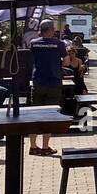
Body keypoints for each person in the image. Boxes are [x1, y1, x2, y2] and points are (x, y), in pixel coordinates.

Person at [28, 20, 67, 156]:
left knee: (35, 115)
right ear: (50, 30)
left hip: (37, 81)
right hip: (53, 82)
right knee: (49, 116)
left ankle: (33, 146)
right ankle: (45, 147)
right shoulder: (59, 44)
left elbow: (32, 58)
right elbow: (66, 61)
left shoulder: (34, 43)